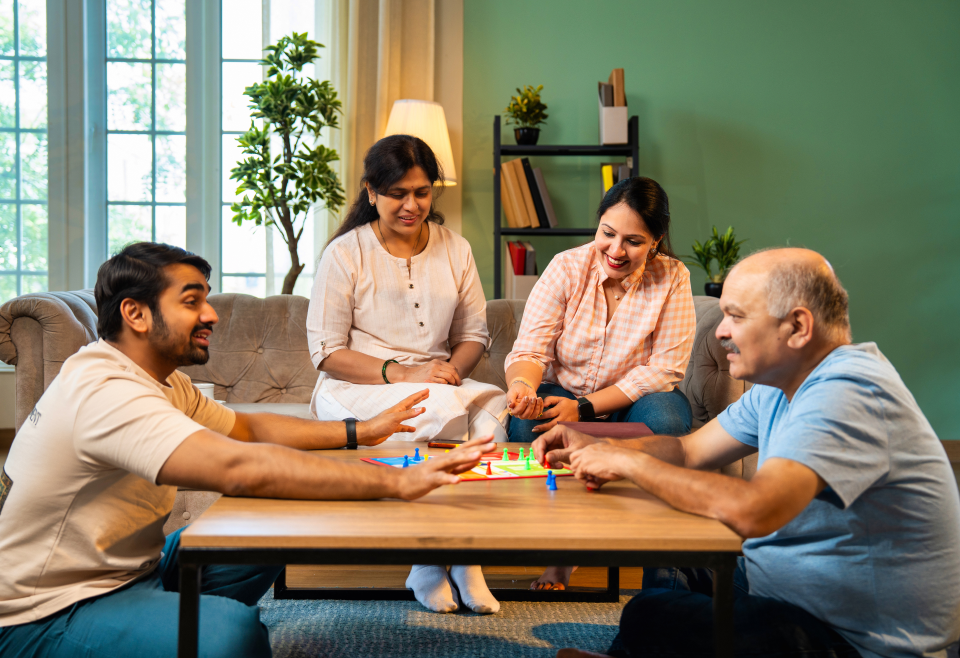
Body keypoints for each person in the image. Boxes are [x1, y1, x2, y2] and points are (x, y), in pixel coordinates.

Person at [0, 242, 493, 658]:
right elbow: (239, 467)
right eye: (191, 301)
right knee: (232, 637)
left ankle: (168, 624)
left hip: (136, 571)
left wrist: (360, 431)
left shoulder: (158, 380)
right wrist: (398, 481)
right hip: (49, 611)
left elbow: (246, 430)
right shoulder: (105, 390)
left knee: (277, 524)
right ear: (136, 313)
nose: (211, 314)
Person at [537, 248, 960, 658]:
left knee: (649, 615)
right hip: (784, 590)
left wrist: (631, 462)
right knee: (675, 563)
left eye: (736, 317)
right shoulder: (782, 385)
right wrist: (604, 447)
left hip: (854, 638)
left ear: (797, 326)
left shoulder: (847, 391)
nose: (720, 331)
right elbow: (687, 451)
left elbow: (756, 511)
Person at [307, 135, 506, 614]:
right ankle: (431, 559)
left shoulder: (455, 249)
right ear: (371, 192)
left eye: (421, 192)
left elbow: (474, 335)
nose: (411, 204)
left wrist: (453, 373)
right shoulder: (345, 253)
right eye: (398, 193)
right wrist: (403, 372)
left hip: (438, 385)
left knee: (494, 403)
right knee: (435, 407)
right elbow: (327, 352)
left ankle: (455, 554)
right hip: (354, 388)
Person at [504, 176, 696, 590]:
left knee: (666, 424)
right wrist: (522, 386)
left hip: (634, 400)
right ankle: (561, 555)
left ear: (656, 241)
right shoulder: (567, 267)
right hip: (562, 391)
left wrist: (586, 408)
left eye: (633, 241)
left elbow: (665, 368)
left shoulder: (673, 277)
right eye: (607, 233)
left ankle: (661, 571)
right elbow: (532, 350)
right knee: (526, 428)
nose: (615, 250)